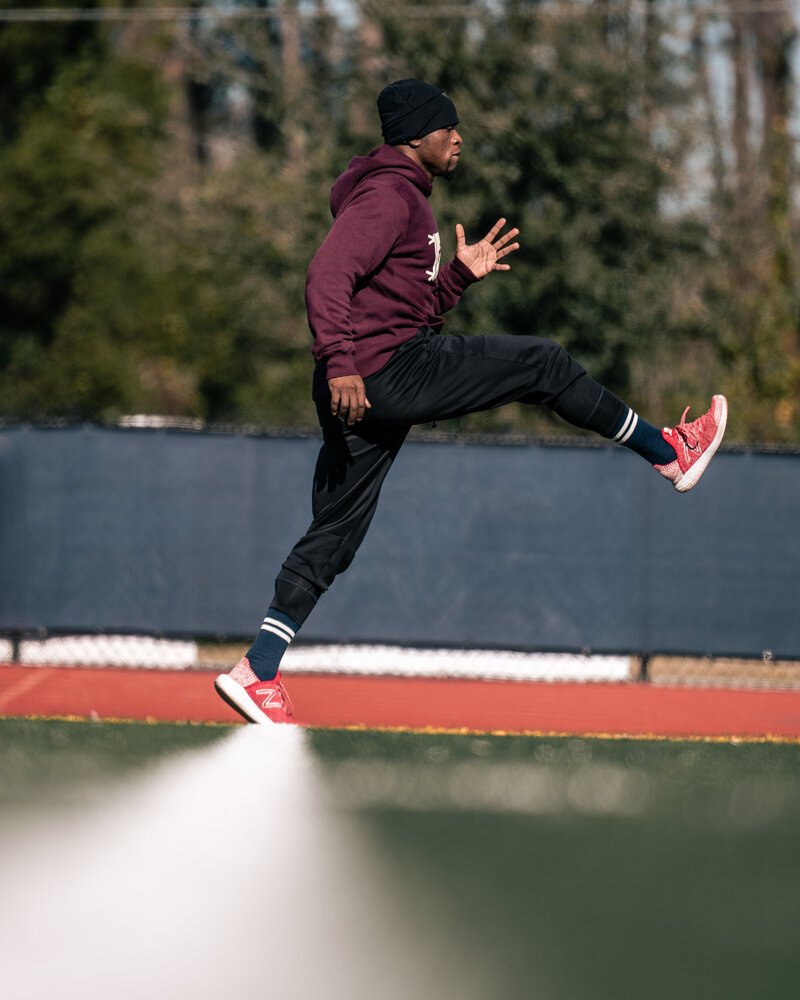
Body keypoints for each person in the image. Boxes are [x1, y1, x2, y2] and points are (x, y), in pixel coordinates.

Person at [214, 79, 728, 724]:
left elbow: (400, 306)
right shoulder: (388, 196)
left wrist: (456, 276)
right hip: (381, 372)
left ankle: (257, 668)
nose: (458, 138)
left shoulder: (399, 198)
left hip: (366, 379)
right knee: (543, 362)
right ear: (415, 136)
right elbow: (327, 274)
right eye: (447, 127)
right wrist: (341, 362)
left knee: (337, 529)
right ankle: (668, 453)